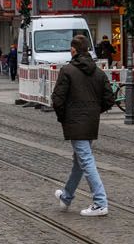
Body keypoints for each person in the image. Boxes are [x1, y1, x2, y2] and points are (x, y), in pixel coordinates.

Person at [49, 34, 114, 218]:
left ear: (73, 50)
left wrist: (65, 118)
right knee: (79, 161)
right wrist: (94, 111)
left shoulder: (67, 71)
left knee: (85, 160)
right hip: (91, 122)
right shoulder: (99, 72)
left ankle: (100, 202)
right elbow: (109, 99)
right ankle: (67, 196)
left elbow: (57, 100)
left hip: (75, 122)